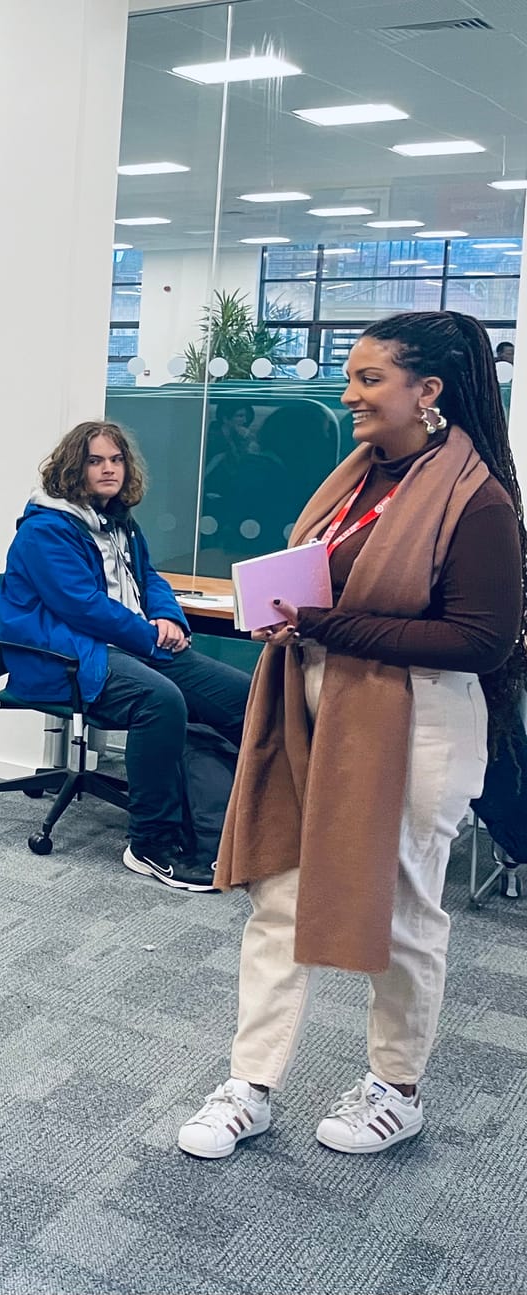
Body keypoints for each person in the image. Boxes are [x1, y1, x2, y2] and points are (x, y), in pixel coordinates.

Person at [178, 311, 527, 1161]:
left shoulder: (477, 500)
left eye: (370, 379)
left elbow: (481, 640)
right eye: (352, 377)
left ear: (428, 390)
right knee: (279, 894)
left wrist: (328, 625)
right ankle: (250, 1083)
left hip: (419, 720)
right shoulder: (359, 478)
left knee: (403, 909)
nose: (349, 395)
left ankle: (395, 1089)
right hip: (313, 706)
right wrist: (292, 618)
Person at [0, 420, 251, 890]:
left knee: (242, 696)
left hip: (129, 644)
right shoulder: (46, 530)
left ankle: (243, 820)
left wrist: (168, 616)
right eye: (95, 461)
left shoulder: (119, 523)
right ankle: (151, 844)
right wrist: (152, 638)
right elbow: (82, 607)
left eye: (116, 460)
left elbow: (148, 577)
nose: (109, 469)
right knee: (161, 701)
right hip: (69, 657)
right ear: (74, 468)